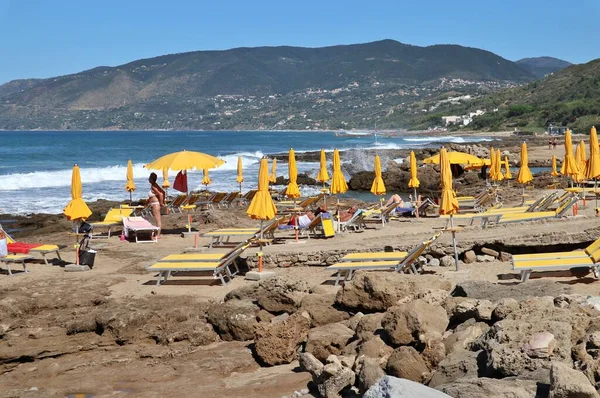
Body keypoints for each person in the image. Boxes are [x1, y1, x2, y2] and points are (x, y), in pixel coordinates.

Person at [147, 172, 166, 238]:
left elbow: (161, 194)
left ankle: (158, 235)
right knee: (157, 220)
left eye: (149, 178)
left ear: (152, 179)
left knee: (158, 220)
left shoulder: (154, 187)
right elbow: (163, 192)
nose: (148, 179)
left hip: (155, 204)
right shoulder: (155, 185)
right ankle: (157, 234)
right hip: (154, 204)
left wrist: (161, 203)